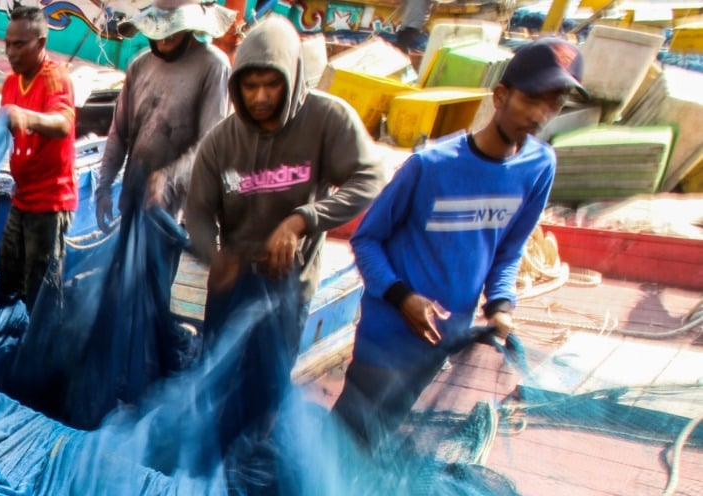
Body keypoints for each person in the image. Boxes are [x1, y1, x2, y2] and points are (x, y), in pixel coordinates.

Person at [335, 38, 581, 445]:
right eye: (531, 99)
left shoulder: (540, 167)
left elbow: (508, 251)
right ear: (501, 95)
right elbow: (367, 240)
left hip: (443, 339)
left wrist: (501, 305)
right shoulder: (429, 166)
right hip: (387, 334)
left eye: (553, 104)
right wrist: (402, 298)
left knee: (382, 431)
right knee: (347, 433)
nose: (540, 115)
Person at [184, 16, 386, 350]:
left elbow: (371, 178)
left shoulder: (327, 119)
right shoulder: (220, 142)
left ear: (292, 78)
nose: (260, 97)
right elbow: (198, 212)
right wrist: (212, 254)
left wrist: (302, 220)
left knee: (268, 392)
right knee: (215, 388)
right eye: (250, 86)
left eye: (271, 85)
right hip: (232, 284)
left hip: (289, 286)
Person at [96, 0, 233, 227]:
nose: (164, 40)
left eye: (172, 32)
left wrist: (168, 179)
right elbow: (118, 133)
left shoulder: (214, 66)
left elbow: (210, 145)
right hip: (131, 196)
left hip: (171, 210)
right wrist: (103, 188)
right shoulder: (139, 65)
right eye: (158, 33)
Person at [0, 4, 77, 308]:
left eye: (19, 44)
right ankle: (11, 339)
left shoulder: (56, 78)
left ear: (41, 43)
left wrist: (26, 117)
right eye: (7, 44)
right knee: (8, 269)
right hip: (21, 197)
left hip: (50, 201)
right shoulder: (9, 84)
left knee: (40, 283)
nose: (10, 52)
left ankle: (44, 348)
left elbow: (63, 122)